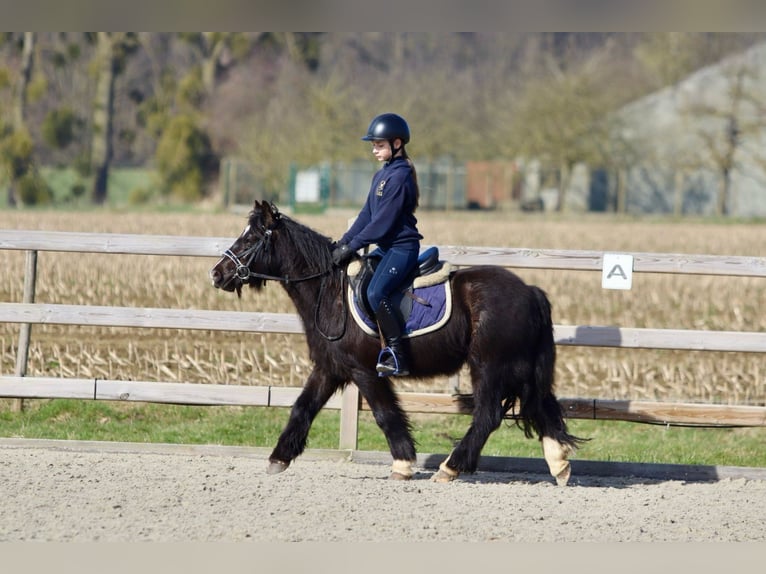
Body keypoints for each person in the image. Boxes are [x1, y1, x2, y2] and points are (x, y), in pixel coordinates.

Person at [332, 112, 423, 377]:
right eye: (373, 145)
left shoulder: (400, 177)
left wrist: (353, 247)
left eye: (379, 145)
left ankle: (396, 353)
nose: (374, 149)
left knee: (375, 293)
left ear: (397, 144)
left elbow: (382, 223)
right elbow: (366, 215)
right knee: (358, 282)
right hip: (386, 248)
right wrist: (344, 242)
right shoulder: (382, 176)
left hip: (401, 248)